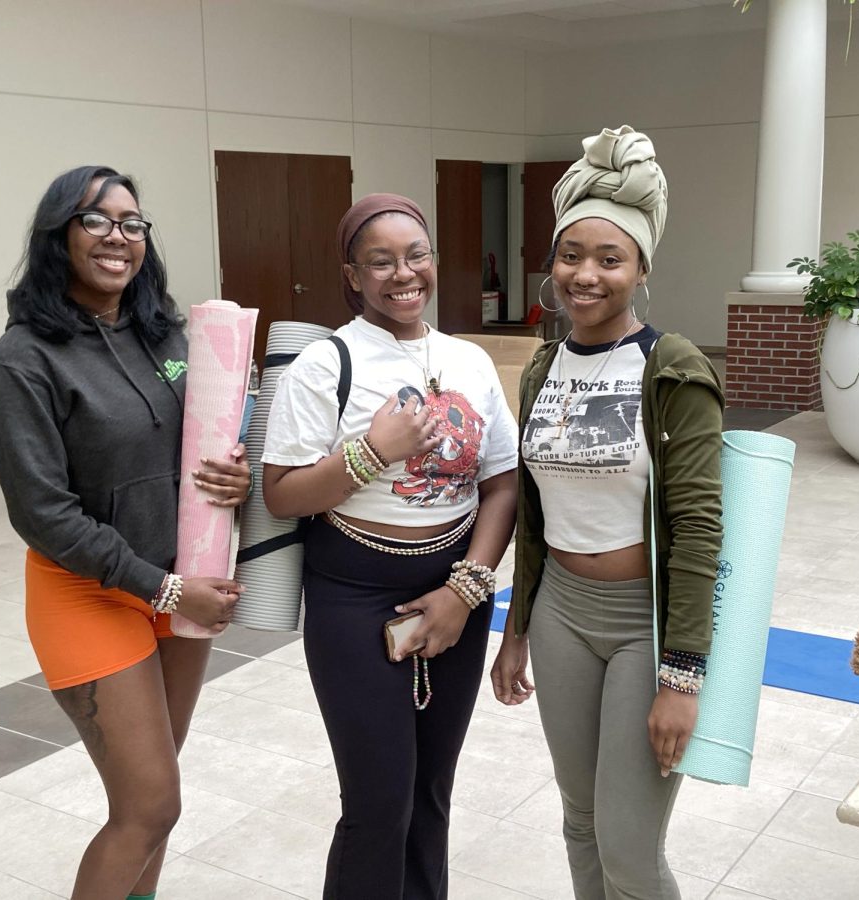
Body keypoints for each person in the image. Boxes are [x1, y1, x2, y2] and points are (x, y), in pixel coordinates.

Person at [0, 165, 250, 900]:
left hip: (177, 582)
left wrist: (238, 475)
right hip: (91, 593)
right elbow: (43, 513)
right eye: (95, 220)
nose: (117, 237)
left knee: (150, 809)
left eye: (131, 223)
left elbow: (204, 442)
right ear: (58, 235)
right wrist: (164, 590)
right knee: (151, 804)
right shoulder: (22, 360)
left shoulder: (162, 334)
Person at [261, 193, 519, 899]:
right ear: (353, 275)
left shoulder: (467, 360)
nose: (402, 274)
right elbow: (281, 492)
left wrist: (466, 592)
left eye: (416, 255)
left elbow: (502, 484)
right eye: (380, 261)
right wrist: (375, 451)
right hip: (353, 598)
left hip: (455, 594)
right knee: (379, 802)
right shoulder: (325, 363)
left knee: (432, 792)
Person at [490, 127, 725, 900]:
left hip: (642, 623)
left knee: (629, 848)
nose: (584, 275)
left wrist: (682, 676)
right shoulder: (544, 368)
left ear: (642, 267)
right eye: (570, 256)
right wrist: (515, 628)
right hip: (560, 611)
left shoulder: (673, 367)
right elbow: (532, 513)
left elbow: (696, 527)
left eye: (609, 258)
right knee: (580, 822)